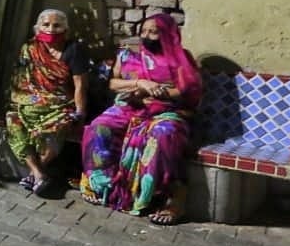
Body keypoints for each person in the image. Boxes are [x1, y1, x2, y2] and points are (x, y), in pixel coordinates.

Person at [80, 12, 201, 225]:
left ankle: (170, 199)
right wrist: (140, 84)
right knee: (99, 127)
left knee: (163, 135)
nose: (146, 36)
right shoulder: (129, 55)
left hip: (165, 112)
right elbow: (113, 83)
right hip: (129, 107)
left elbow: (187, 89)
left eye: (153, 32)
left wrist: (155, 94)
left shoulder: (180, 57)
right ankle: (103, 184)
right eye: (143, 31)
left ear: (167, 34)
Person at [4, 9, 89, 197]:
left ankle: (36, 173)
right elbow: (21, 80)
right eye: (46, 24)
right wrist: (24, 99)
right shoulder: (30, 48)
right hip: (30, 101)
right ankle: (38, 173)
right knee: (12, 120)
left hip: (60, 103)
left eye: (57, 25)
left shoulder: (73, 49)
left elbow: (80, 85)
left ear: (65, 29)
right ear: (37, 28)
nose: (51, 29)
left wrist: (80, 113)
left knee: (58, 126)